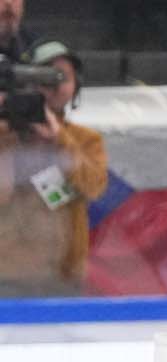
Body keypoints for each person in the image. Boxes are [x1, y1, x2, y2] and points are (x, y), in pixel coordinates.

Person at [0, 39, 106, 296]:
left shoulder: (85, 140)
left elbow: (93, 188)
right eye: (43, 77)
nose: (51, 87)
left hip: (62, 275)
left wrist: (60, 139)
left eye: (61, 77)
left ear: (75, 86)